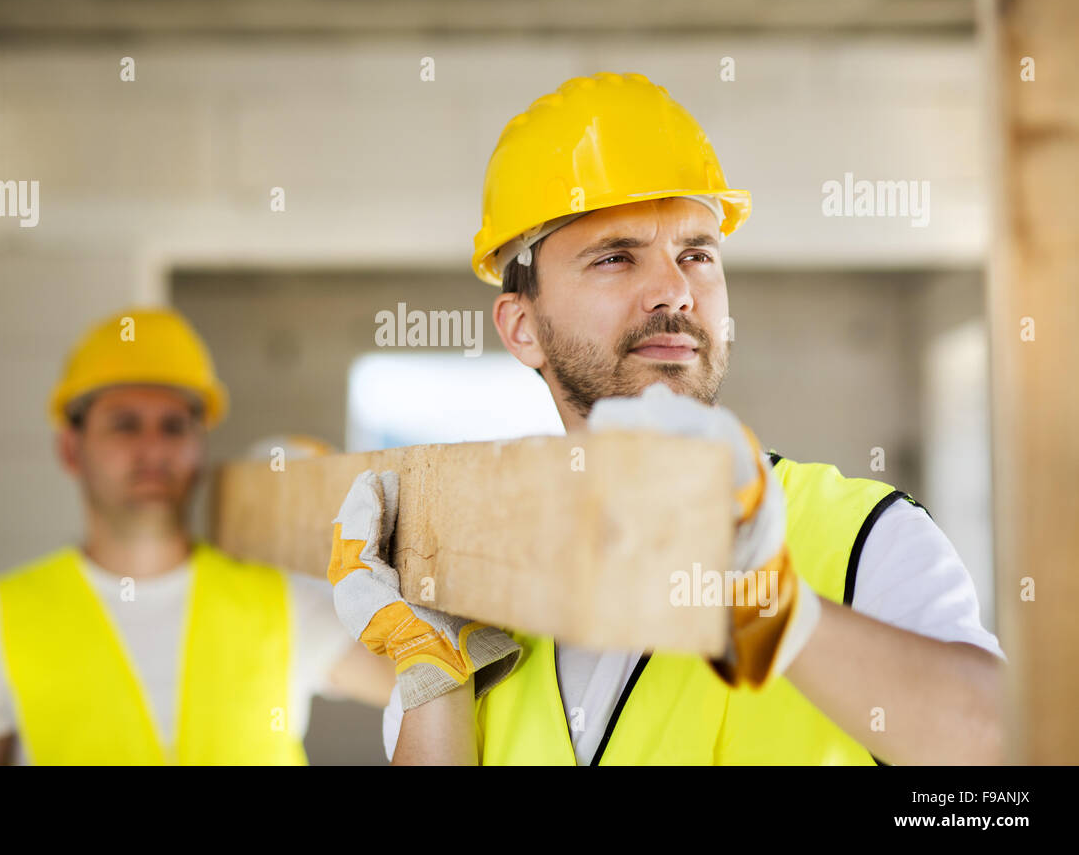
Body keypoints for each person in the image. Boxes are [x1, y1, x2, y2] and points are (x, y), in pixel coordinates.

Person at [329, 72, 1005, 765]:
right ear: (522, 326)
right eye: (615, 257)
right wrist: (432, 668)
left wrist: (771, 609)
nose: (674, 290)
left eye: (696, 254)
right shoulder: (473, 601)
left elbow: (1006, 758)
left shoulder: (863, 538)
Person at [0, 307, 392, 764]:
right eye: (125, 424)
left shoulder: (281, 600)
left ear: (199, 447)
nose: (154, 449)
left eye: (174, 426)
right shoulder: (2, 621)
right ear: (71, 449)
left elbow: (417, 680)